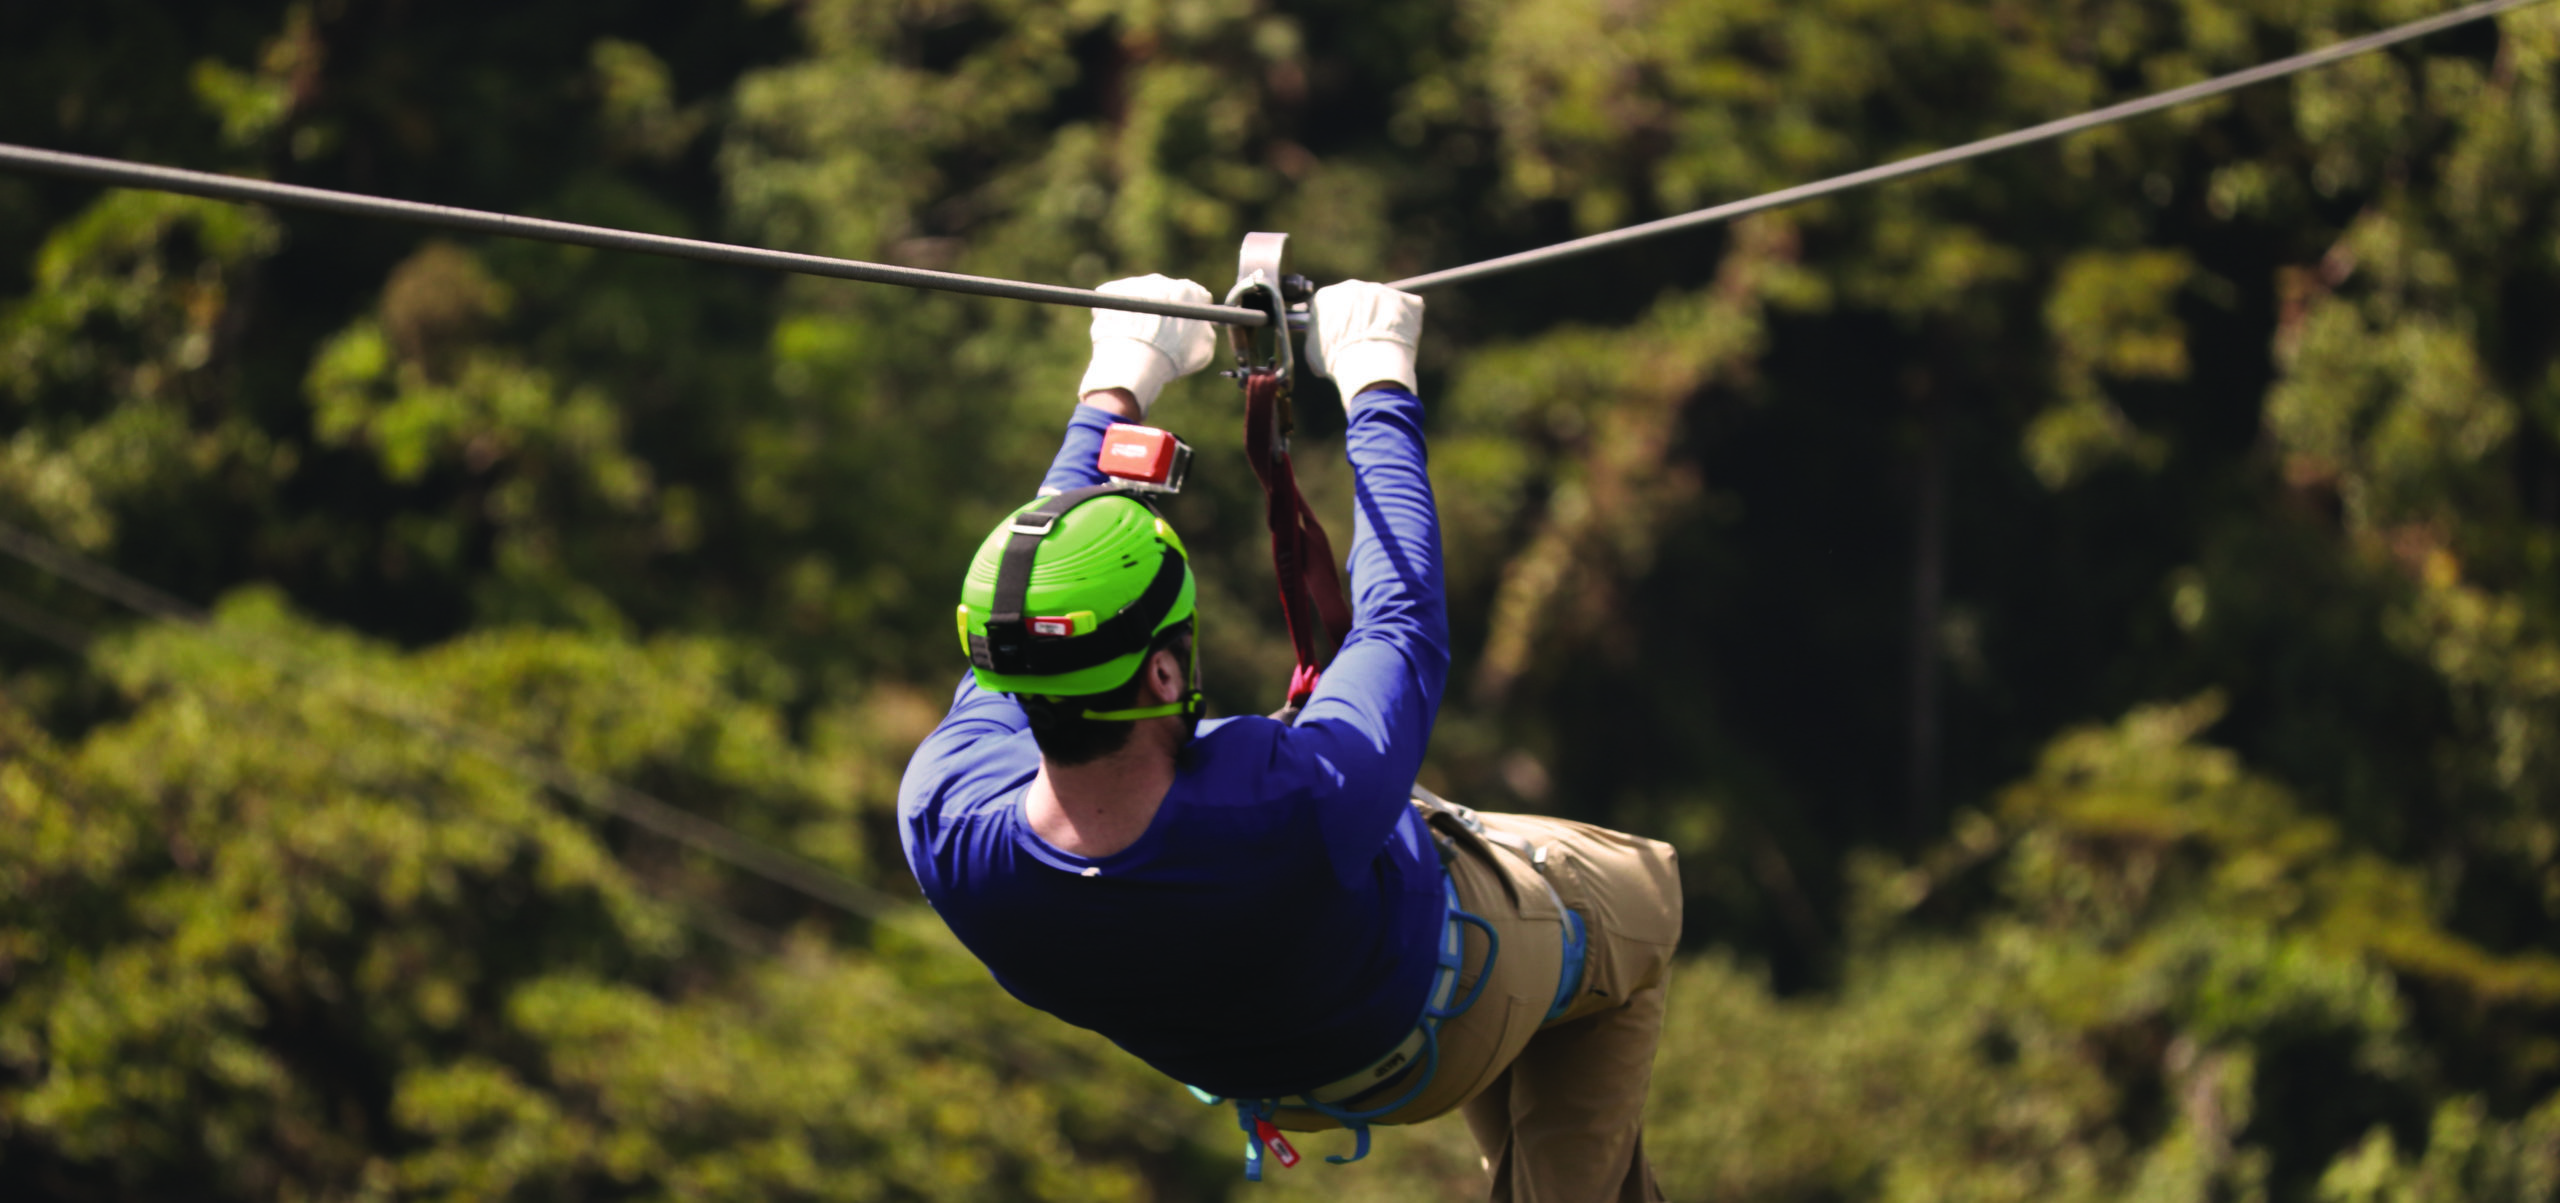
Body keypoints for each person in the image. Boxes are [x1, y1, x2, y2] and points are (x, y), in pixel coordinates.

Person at [897, 272, 1684, 1201]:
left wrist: (1117, 385)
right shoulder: (1288, 798)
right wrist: (1379, 382)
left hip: (1271, 1076)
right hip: (1434, 1024)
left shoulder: (948, 813)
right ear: (1161, 673)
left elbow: (1034, 595)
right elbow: (1399, 624)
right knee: (1644, 890)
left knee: (1532, 959)